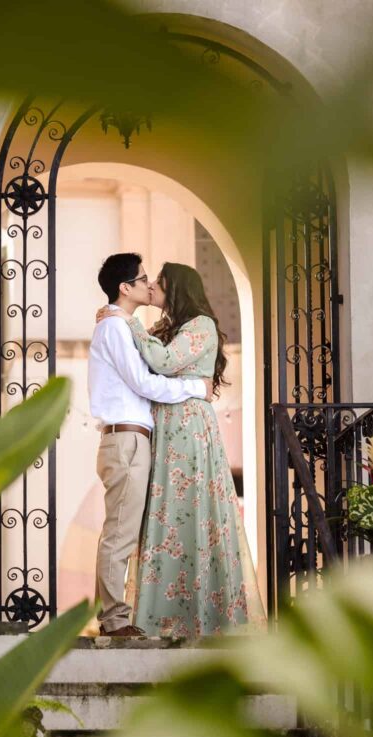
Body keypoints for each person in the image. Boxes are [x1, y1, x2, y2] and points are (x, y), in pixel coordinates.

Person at [96, 261, 265, 639]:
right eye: (146, 279)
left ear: (177, 290)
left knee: (192, 513)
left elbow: (163, 362)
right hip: (162, 429)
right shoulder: (161, 328)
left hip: (187, 428)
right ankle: (162, 617)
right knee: (165, 517)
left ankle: (205, 617)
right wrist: (120, 320)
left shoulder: (199, 326)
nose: (152, 285)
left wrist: (128, 321)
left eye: (159, 281)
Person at [88, 253, 214, 638]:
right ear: (125, 288)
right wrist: (197, 388)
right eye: (143, 279)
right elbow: (146, 382)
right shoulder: (115, 328)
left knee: (126, 531)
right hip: (125, 438)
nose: (150, 284)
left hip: (133, 438)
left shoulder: (123, 326)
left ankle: (119, 616)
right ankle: (114, 621)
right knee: (120, 533)